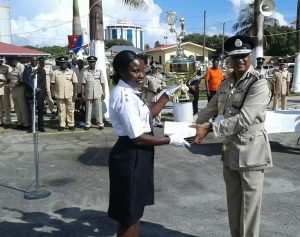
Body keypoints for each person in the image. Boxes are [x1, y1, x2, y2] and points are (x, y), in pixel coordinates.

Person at [192, 35, 272, 237]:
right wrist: (189, 127)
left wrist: (208, 129)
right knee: (234, 204)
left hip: (252, 152)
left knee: (249, 210)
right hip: (230, 151)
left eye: (244, 55)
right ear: (229, 59)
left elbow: (244, 119)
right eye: (235, 57)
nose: (240, 60)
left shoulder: (259, 83)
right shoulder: (226, 84)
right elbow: (208, 111)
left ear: (251, 55)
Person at [108, 50, 188, 237]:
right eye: (135, 71)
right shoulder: (125, 97)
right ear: (121, 71)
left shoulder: (129, 92)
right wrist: (171, 139)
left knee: (132, 212)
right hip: (131, 154)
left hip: (137, 153)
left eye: (143, 70)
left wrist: (166, 95)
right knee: (130, 214)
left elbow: (147, 117)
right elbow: (138, 137)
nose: (142, 75)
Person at [50, 56, 78, 131]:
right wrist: (52, 93)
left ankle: (71, 124)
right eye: (61, 63)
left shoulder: (71, 72)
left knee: (70, 110)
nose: (63, 65)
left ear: (67, 63)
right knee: (61, 110)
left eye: (64, 63)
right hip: (59, 94)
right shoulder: (55, 72)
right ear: (59, 64)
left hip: (70, 95)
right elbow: (52, 83)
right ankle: (62, 124)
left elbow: (75, 83)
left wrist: (75, 94)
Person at [81, 56, 105, 130]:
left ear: (95, 63)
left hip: (98, 93)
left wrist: (104, 92)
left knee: (99, 109)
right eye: (90, 62)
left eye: (93, 62)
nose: (92, 63)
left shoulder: (99, 72)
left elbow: (102, 83)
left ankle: (100, 124)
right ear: (88, 63)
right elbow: (83, 84)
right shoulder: (85, 72)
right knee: (88, 110)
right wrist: (82, 94)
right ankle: (88, 124)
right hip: (89, 93)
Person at [24, 57, 47, 132]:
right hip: (30, 92)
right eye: (33, 60)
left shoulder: (41, 70)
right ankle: (31, 127)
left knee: (40, 110)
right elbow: (26, 80)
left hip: (40, 93)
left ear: (37, 61)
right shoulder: (27, 70)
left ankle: (41, 126)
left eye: (35, 60)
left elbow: (44, 81)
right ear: (30, 61)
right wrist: (33, 88)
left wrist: (39, 88)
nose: (34, 62)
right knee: (30, 110)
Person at [7, 56, 29, 130]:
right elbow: (10, 78)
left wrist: (14, 84)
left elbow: (22, 80)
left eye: (9, 61)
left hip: (20, 89)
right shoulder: (12, 68)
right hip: (14, 89)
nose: (8, 63)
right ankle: (20, 123)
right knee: (17, 107)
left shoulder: (21, 67)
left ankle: (26, 123)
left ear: (13, 60)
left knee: (22, 107)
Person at [143, 63, 166, 128]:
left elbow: (164, 84)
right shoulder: (147, 77)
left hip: (159, 95)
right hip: (151, 95)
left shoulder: (161, 76)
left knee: (159, 109)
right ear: (152, 69)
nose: (157, 70)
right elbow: (144, 86)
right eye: (155, 69)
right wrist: (151, 90)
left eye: (157, 69)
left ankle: (158, 122)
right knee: (151, 109)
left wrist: (161, 88)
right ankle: (151, 122)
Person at [0, 56, 11, 129]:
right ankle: (1, 122)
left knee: (6, 106)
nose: (0, 62)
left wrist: (3, 81)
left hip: (4, 88)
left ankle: (7, 122)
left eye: (1, 60)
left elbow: (9, 78)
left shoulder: (7, 67)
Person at [74, 59, 85, 124]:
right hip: (77, 91)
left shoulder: (85, 70)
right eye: (78, 63)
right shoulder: (74, 70)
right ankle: (77, 118)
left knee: (83, 106)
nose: (79, 64)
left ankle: (83, 119)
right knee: (77, 106)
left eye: (81, 63)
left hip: (83, 91)